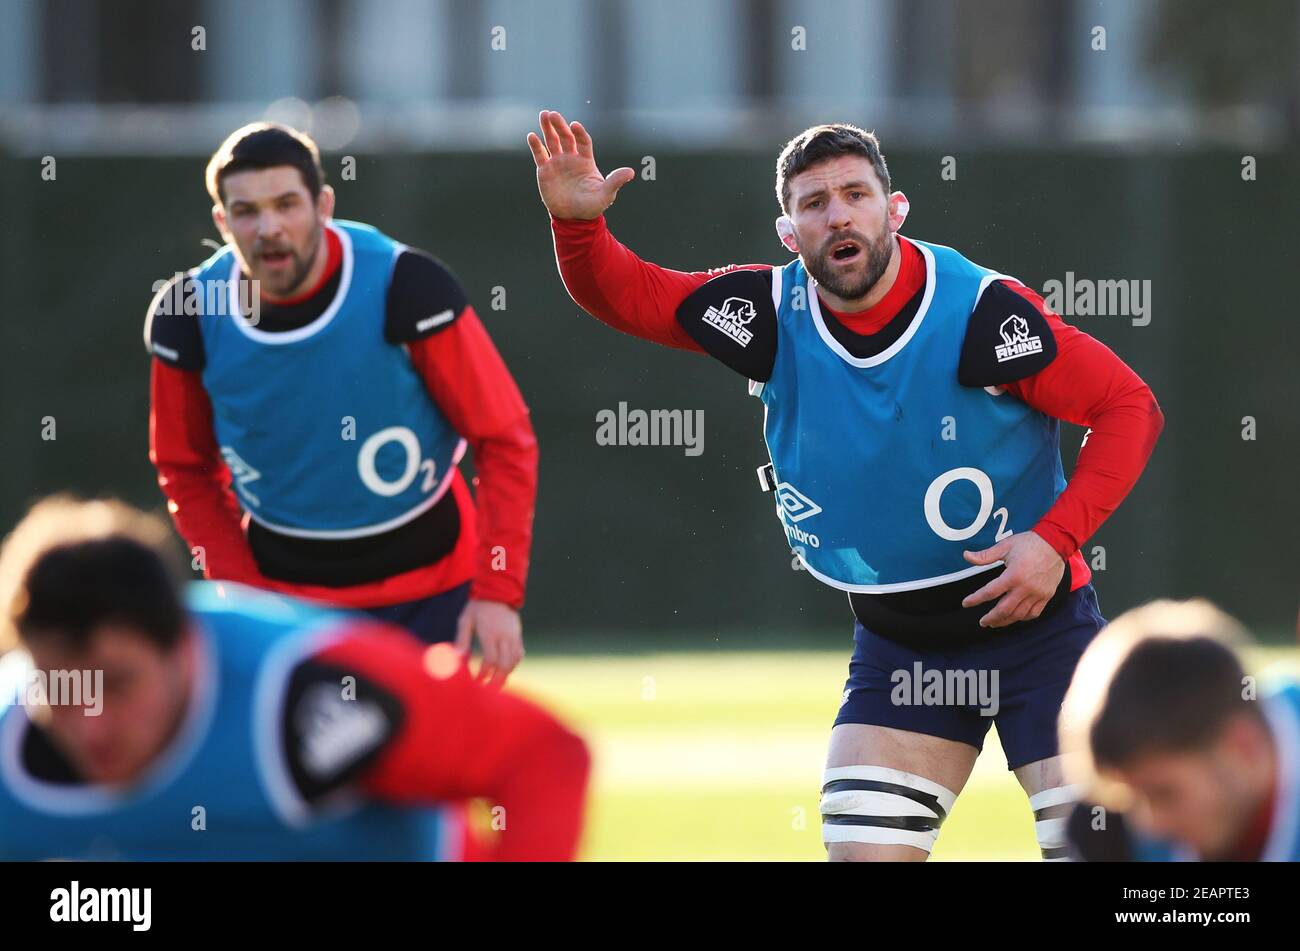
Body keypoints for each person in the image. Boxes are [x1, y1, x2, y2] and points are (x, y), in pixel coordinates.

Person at [527, 109, 1164, 861]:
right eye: (815, 202)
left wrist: (1056, 541)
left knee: (1110, 861)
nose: (839, 214)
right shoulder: (768, 312)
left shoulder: (982, 316)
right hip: (902, 649)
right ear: (788, 233)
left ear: (893, 209)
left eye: (856, 194)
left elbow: (1129, 407)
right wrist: (576, 228)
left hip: (1044, 638)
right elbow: (632, 295)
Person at [147, 123, 536, 684]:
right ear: (222, 222)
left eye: (287, 204)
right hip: (287, 599)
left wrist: (497, 592)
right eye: (247, 211)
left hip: (431, 590)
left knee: (428, 772)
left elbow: (503, 438)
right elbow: (183, 467)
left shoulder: (406, 284)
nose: (270, 227)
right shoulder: (187, 312)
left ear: (323, 204)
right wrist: (245, 596)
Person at [0, 497, 588, 861]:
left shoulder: (307, 687)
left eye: (119, 683)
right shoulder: (10, 749)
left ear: (184, 645)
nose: (91, 724)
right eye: (62, 688)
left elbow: (540, 757)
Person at [1061, 599, 1299, 862]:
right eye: (1133, 798)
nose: (1149, 825)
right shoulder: (1110, 834)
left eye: (1164, 793)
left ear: (1243, 747)